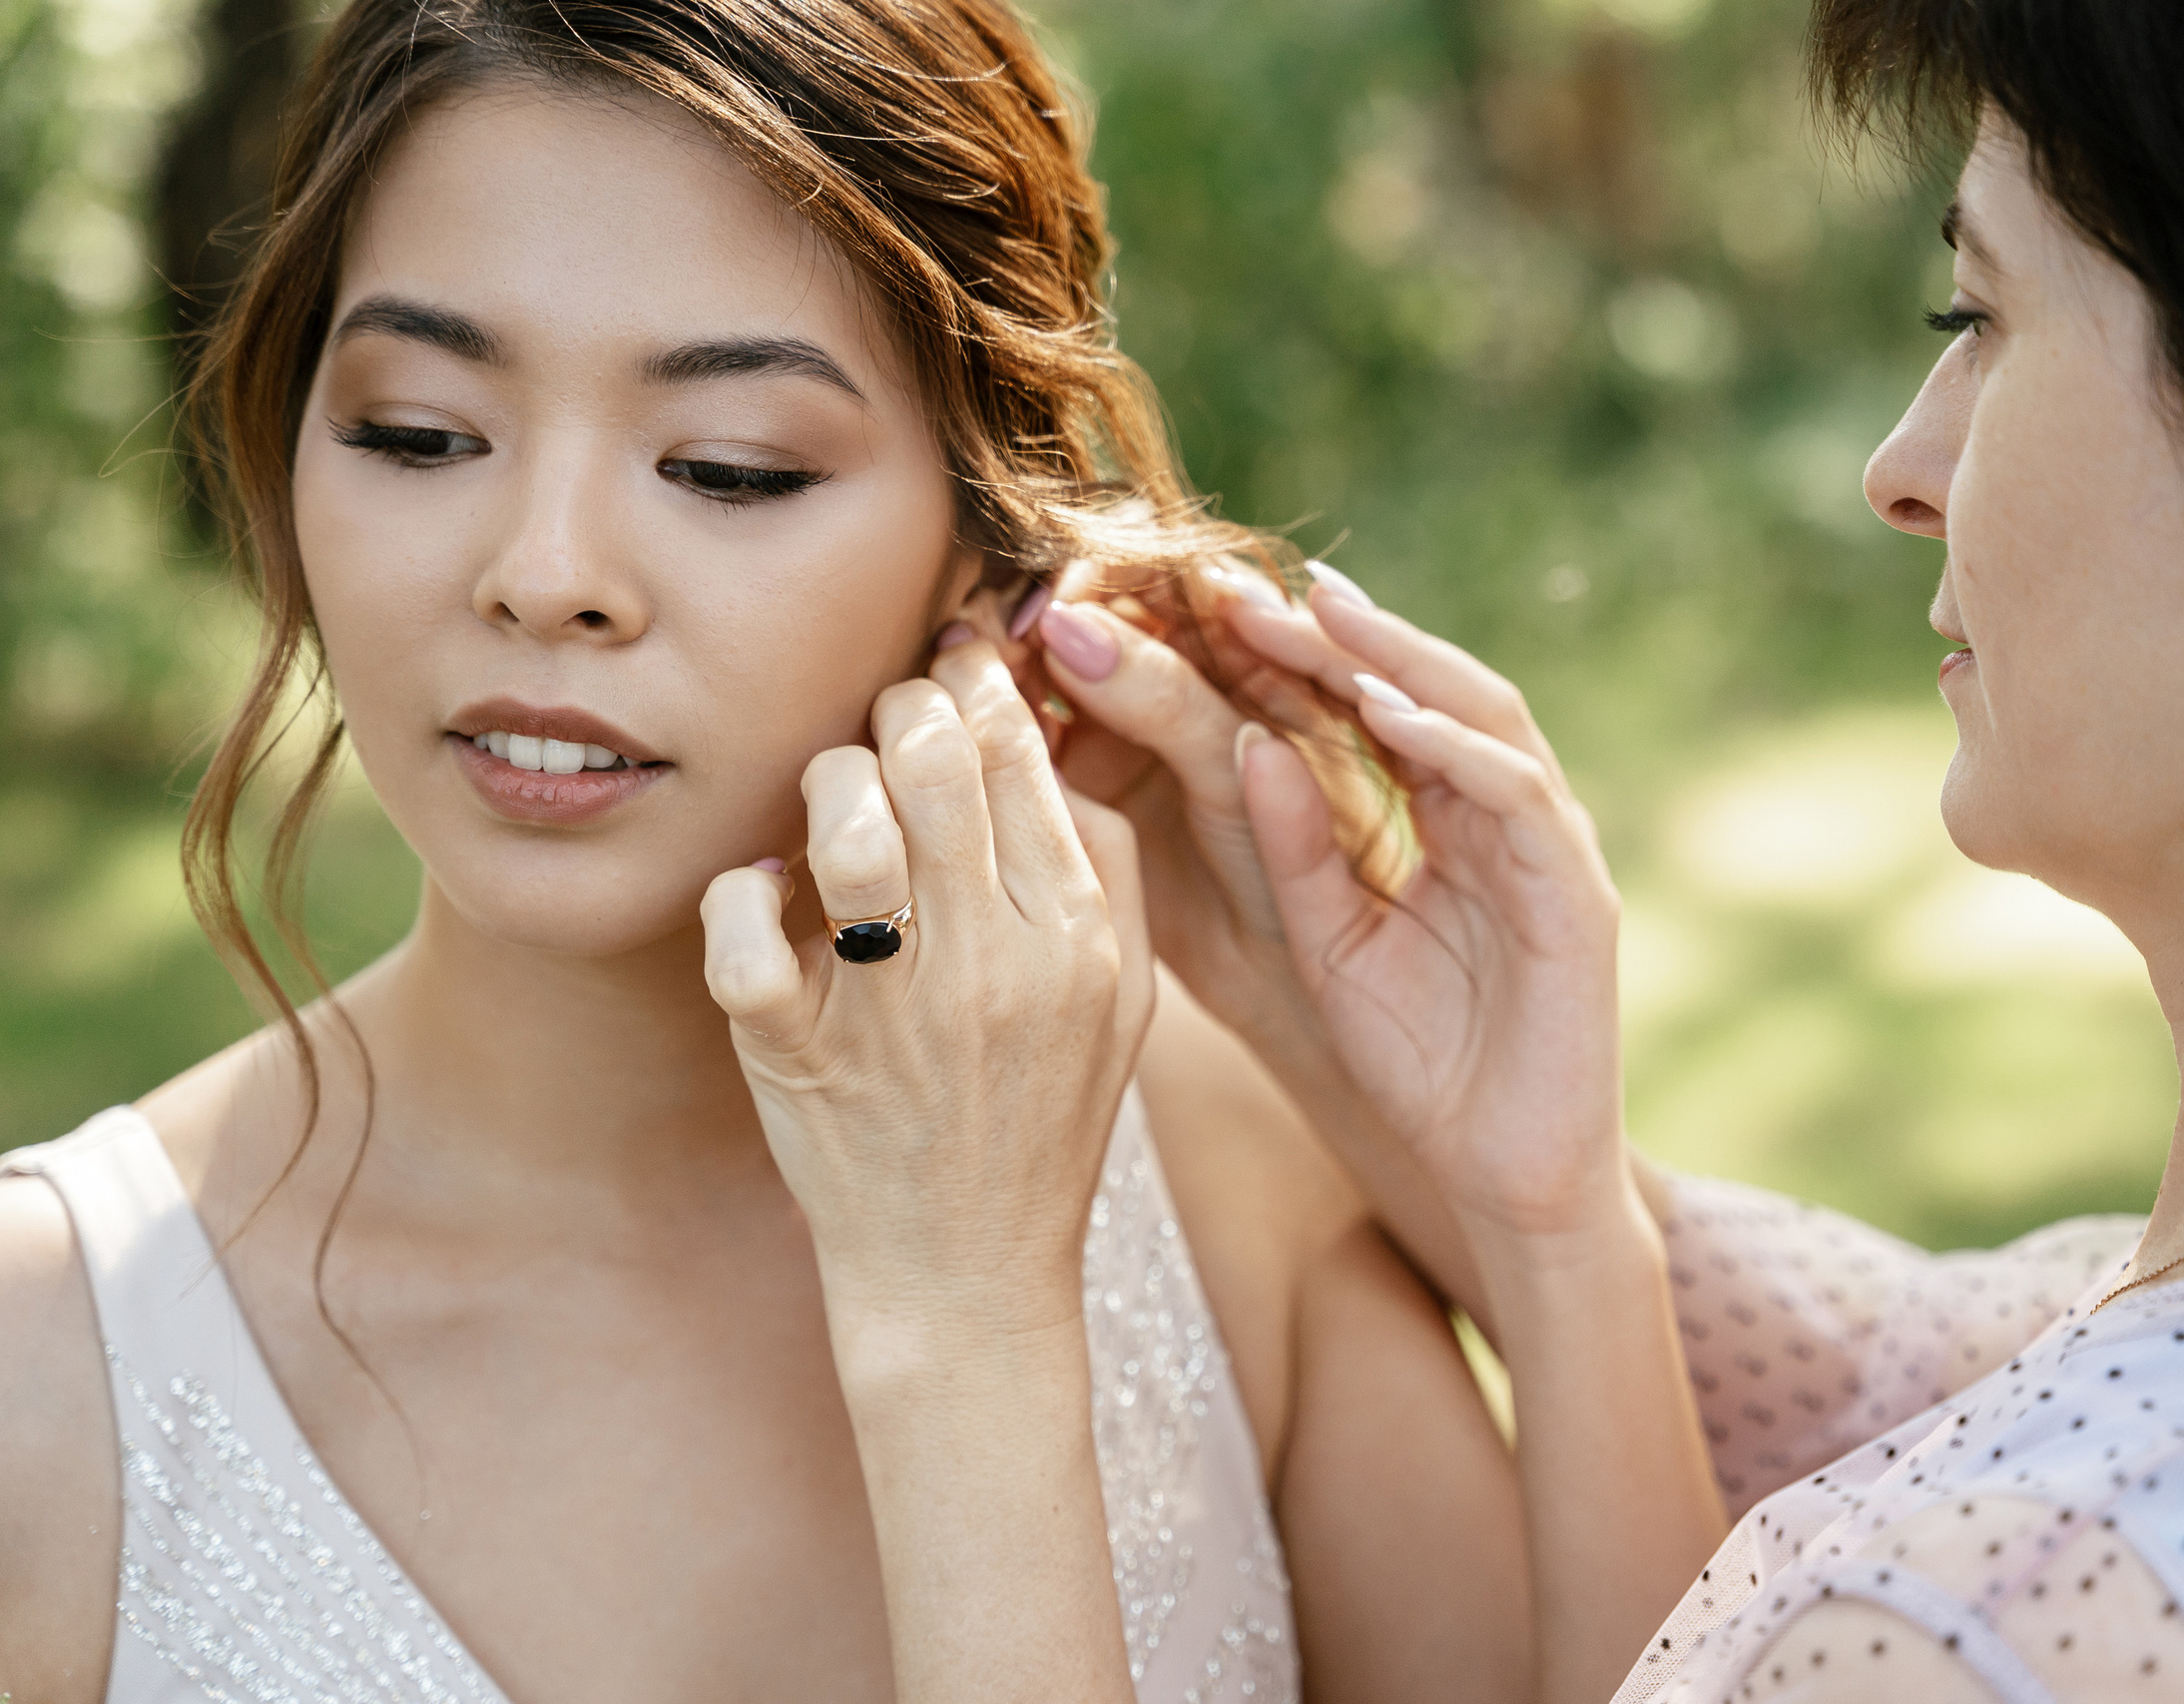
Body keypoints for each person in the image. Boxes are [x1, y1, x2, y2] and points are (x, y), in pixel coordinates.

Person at [0, 1, 1546, 1699]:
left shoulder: (1210, 1156)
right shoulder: (46, 1368)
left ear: (986, 552)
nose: (545, 570)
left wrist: (1550, 1228)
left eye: (728, 468)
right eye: (421, 432)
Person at [1027, 0, 2184, 1698]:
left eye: (1979, 315)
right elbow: (1886, 1383)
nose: (1901, 469)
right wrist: (1506, 1177)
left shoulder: (2020, 1623)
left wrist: (952, 1312)